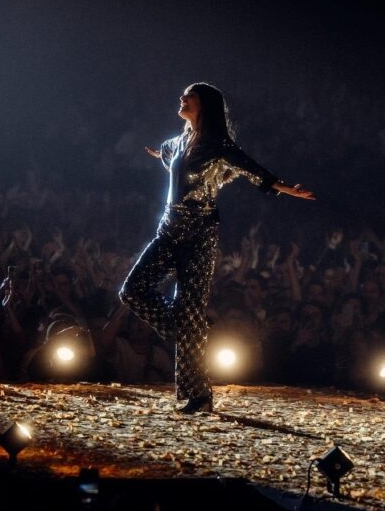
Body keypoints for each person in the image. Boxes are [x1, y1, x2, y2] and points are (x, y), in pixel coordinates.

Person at [118, 82, 315, 414]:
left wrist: (284, 188)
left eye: (189, 95)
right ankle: (186, 328)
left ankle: (198, 397)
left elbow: (251, 168)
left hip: (199, 234)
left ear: (205, 104)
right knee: (132, 290)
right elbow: (165, 153)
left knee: (190, 314)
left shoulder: (217, 145)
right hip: (168, 230)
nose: (181, 98)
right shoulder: (177, 142)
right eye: (182, 94)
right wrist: (156, 154)